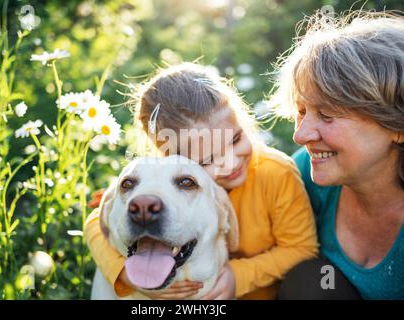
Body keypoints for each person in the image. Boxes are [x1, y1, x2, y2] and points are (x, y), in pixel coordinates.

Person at [84, 63, 319, 300]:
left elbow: (302, 248)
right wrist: (122, 272)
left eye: (235, 139)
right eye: (207, 160)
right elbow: (96, 221)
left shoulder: (275, 173)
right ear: (173, 158)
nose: (230, 163)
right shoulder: (165, 181)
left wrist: (237, 276)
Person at [270, 10, 404, 299]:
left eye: (327, 114)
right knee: (311, 280)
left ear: (397, 126)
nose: (300, 135)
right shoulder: (303, 173)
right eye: (301, 112)